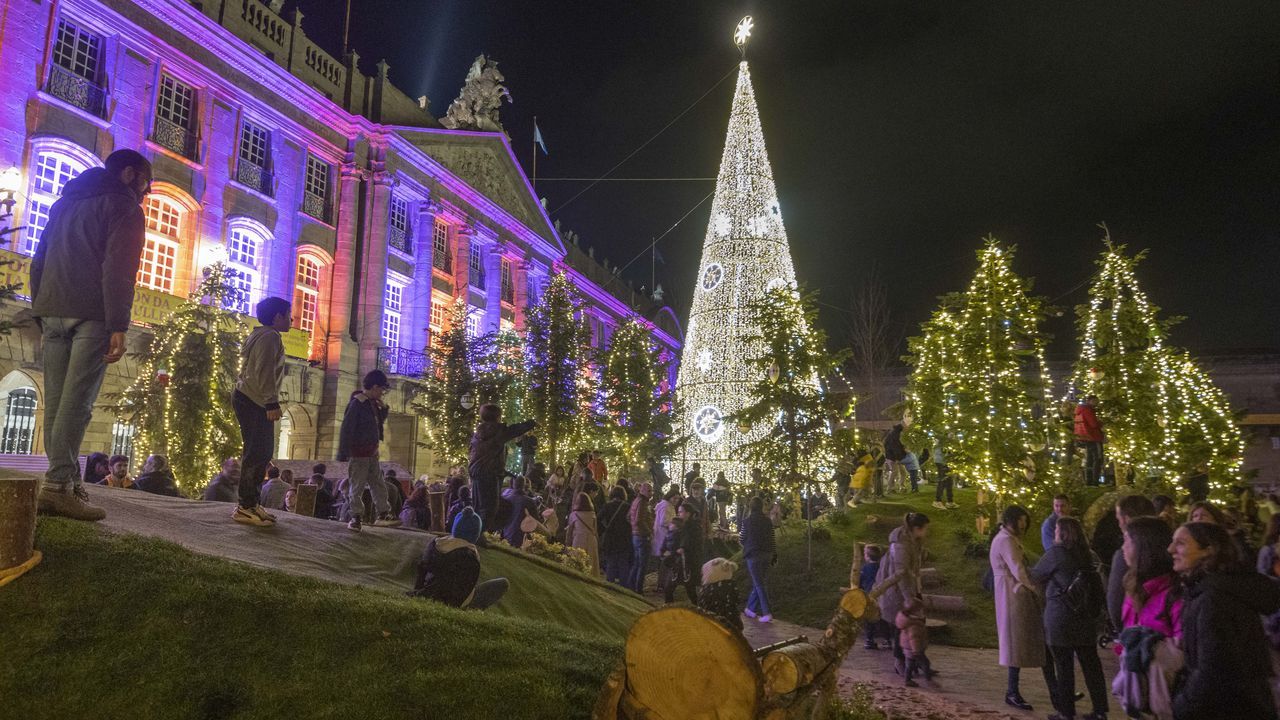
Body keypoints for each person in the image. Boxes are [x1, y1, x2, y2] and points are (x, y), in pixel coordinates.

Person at [31, 149, 151, 522]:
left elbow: (40, 258)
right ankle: (57, 487)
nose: (145, 193)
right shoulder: (124, 206)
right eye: (146, 184)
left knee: (56, 400)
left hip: (53, 309)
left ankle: (61, 483)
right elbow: (119, 269)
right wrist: (118, 323)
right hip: (92, 314)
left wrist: (42, 305)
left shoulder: (64, 203)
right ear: (130, 174)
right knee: (77, 403)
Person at [1170, 522, 1280, 720]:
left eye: (1180, 544)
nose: (1170, 550)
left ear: (1208, 550)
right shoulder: (1208, 591)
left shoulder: (1214, 599)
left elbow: (1213, 669)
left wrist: (1183, 704)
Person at [1031, 516, 1109, 720]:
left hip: (1060, 617)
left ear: (1062, 532)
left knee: (1064, 667)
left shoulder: (1055, 554)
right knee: (1091, 665)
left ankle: (1066, 712)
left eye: (1056, 530)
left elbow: (1036, 575)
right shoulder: (1089, 555)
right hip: (1085, 618)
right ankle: (1100, 711)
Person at [229, 296, 290, 526]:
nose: (291, 319)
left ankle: (251, 503)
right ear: (277, 317)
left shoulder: (261, 334)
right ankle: (245, 506)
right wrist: (271, 402)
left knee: (260, 452)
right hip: (254, 399)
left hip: (249, 397)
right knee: (258, 452)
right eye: (288, 314)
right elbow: (264, 371)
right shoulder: (270, 337)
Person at [990, 505, 1054, 712]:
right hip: (1013, 594)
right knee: (1015, 642)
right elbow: (1018, 569)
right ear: (1013, 521)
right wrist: (1033, 588)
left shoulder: (1006, 538)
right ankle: (1013, 691)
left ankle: (1054, 689)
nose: (1024, 526)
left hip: (1012, 592)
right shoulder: (1006, 540)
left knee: (1018, 643)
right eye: (1021, 522)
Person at [407, 507, 508, 610]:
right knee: (502, 583)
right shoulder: (469, 557)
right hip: (449, 604)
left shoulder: (435, 543)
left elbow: (421, 571)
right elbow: (460, 594)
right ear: (475, 534)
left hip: (424, 594)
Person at [336, 370, 400, 531]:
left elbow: (378, 423)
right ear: (374, 386)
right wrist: (343, 452)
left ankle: (383, 513)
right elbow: (347, 428)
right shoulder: (358, 403)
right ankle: (356, 516)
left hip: (372, 453)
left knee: (378, 484)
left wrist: (384, 409)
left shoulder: (373, 404)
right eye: (382, 389)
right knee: (356, 486)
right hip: (359, 453)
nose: (382, 393)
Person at [876, 512, 930, 677]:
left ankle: (918, 661)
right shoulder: (901, 545)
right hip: (898, 593)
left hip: (910, 590)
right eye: (925, 528)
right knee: (902, 628)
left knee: (915, 627)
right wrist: (909, 598)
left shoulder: (912, 541)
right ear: (916, 528)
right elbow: (901, 573)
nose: (926, 532)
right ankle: (901, 662)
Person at [468, 403, 536, 531]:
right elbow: (516, 429)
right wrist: (532, 422)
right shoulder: (497, 431)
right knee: (490, 508)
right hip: (490, 474)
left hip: (476, 472)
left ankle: (477, 533)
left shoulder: (478, 432)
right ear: (497, 417)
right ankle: (480, 535)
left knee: (478, 505)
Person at [1106, 494, 1157, 630]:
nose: (1118, 524)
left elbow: (1115, 605)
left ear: (1126, 519)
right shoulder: (1170, 548)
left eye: (1118, 519)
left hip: (1137, 634)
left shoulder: (1126, 554)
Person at [740, 495, 776, 623]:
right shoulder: (767, 521)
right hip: (767, 554)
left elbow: (742, 538)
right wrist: (773, 553)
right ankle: (750, 609)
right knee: (760, 582)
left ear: (750, 507)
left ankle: (767, 612)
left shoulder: (747, 521)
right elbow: (772, 538)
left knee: (759, 584)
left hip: (753, 554)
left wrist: (748, 544)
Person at [664, 503, 704, 604]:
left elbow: (692, 543)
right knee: (686, 587)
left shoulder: (693, 527)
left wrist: (682, 548)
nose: (679, 514)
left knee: (674, 586)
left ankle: (670, 607)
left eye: (681, 512)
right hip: (681, 561)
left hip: (686, 562)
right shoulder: (682, 525)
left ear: (688, 513)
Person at [599, 486, 632, 585]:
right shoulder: (627, 507)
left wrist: (604, 529)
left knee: (611, 562)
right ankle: (624, 586)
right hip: (624, 538)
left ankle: (610, 584)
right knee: (623, 563)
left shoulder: (607, 506)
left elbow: (598, 518)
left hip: (610, 537)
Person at [860, 544, 892, 650]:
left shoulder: (865, 568)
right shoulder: (881, 567)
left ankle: (869, 640)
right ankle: (887, 640)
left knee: (870, 619)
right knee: (882, 618)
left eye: (865, 553)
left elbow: (860, 581)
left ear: (868, 556)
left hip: (869, 596)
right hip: (881, 596)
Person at [698, 557, 742, 633]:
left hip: (716, 626)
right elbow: (738, 600)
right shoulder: (731, 585)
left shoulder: (705, 590)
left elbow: (702, 606)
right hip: (734, 622)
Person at [896, 597, 933, 687]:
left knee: (909, 664)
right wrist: (916, 650)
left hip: (907, 648)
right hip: (914, 649)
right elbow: (914, 638)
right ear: (915, 611)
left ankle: (907, 679)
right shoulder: (914, 624)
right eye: (920, 610)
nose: (922, 612)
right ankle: (928, 679)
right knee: (925, 663)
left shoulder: (905, 619)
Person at [628, 482, 654, 593]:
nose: (651, 493)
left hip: (636, 535)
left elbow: (629, 517)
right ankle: (638, 590)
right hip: (642, 536)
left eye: (651, 491)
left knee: (637, 563)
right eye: (649, 491)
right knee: (642, 565)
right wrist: (648, 532)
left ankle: (631, 586)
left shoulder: (636, 501)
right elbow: (639, 520)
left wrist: (634, 528)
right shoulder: (642, 502)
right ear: (642, 491)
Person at [500, 476, 540, 549]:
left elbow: (501, 519)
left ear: (513, 484)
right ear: (524, 485)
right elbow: (536, 520)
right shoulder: (530, 501)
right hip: (521, 538)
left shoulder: (506, 499)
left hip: (505, 535)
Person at [652, 486, 680, 589]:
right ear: (670, 497)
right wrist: (674, 525)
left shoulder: (666, 505)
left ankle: (662, 583)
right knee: (664, 562)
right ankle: (662, 584)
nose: (676, 500)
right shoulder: (666, 506)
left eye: (678, 499)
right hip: (664, 536)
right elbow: (663, 521)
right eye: (674, 498)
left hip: (663, 536)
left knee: (663, 561)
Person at [1074, 395, 1105, 486]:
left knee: (1089, 459)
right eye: (1095, 401)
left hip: (1085, 437)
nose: (1097, 403)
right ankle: (1095, 481)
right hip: (1093, 437)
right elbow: (1094, 424)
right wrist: (1102, 422)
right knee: (1098, 458)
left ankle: (1089, 481)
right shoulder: (1088, 410)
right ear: (1090, 401)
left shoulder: (1079, 410)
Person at [567, 492, 600, 576]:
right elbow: (595, 530)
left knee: (577, 561)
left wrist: (567, 543)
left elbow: (569, 531)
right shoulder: (593, 514)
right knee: (591, 563)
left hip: (578, 539)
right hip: (591, 540)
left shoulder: (573, 515)